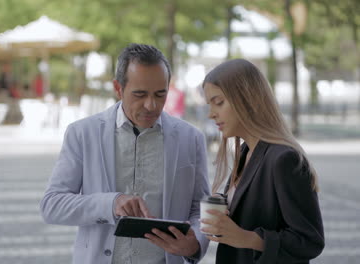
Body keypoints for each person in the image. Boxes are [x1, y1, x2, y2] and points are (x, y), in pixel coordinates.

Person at [40, 43, 210, 264]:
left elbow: (201, 207)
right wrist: (110, 204)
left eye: (160, 94)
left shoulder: (191, 138)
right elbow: (52, 205)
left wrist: (196, 242)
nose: (151, 105)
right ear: (118, 89)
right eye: (140, 94)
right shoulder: (82, 133)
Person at [200, 59, 324, 263]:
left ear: (247, 99)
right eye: (209, 104)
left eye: (219, 102)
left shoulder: (284, 159)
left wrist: (247, 238)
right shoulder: (245, 151)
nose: (211, 114)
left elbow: (310, 241)